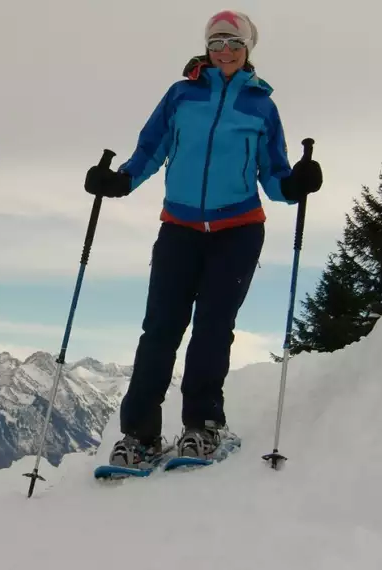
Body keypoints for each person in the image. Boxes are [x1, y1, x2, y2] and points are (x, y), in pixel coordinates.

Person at [83, 10, 323, 468]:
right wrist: (121, 181)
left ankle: (203, 427)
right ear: (206, 49)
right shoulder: (181, 95)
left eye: (233, 43)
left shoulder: (261, 106)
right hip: (179, 229)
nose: (224, 51)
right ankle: (139, 436)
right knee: (160, 329)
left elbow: (274, 173)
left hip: (238, 231)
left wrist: (296, 185)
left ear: (248, 49)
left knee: (213, 329)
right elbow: (151, 149)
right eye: (216, 43)